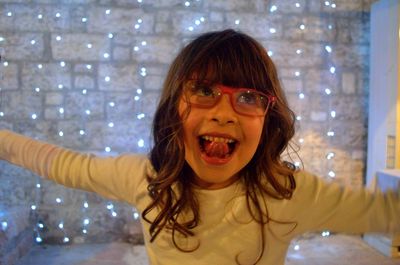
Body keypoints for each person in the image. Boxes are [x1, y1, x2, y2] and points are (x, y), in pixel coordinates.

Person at [0, 29, 399, 265]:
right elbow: (60, 163)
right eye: (205, 90)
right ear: (175, 103)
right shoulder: (145, 178)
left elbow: (382, 212)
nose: (225, 114)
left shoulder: (286, 192)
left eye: (248, 97)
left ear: (268, 118)